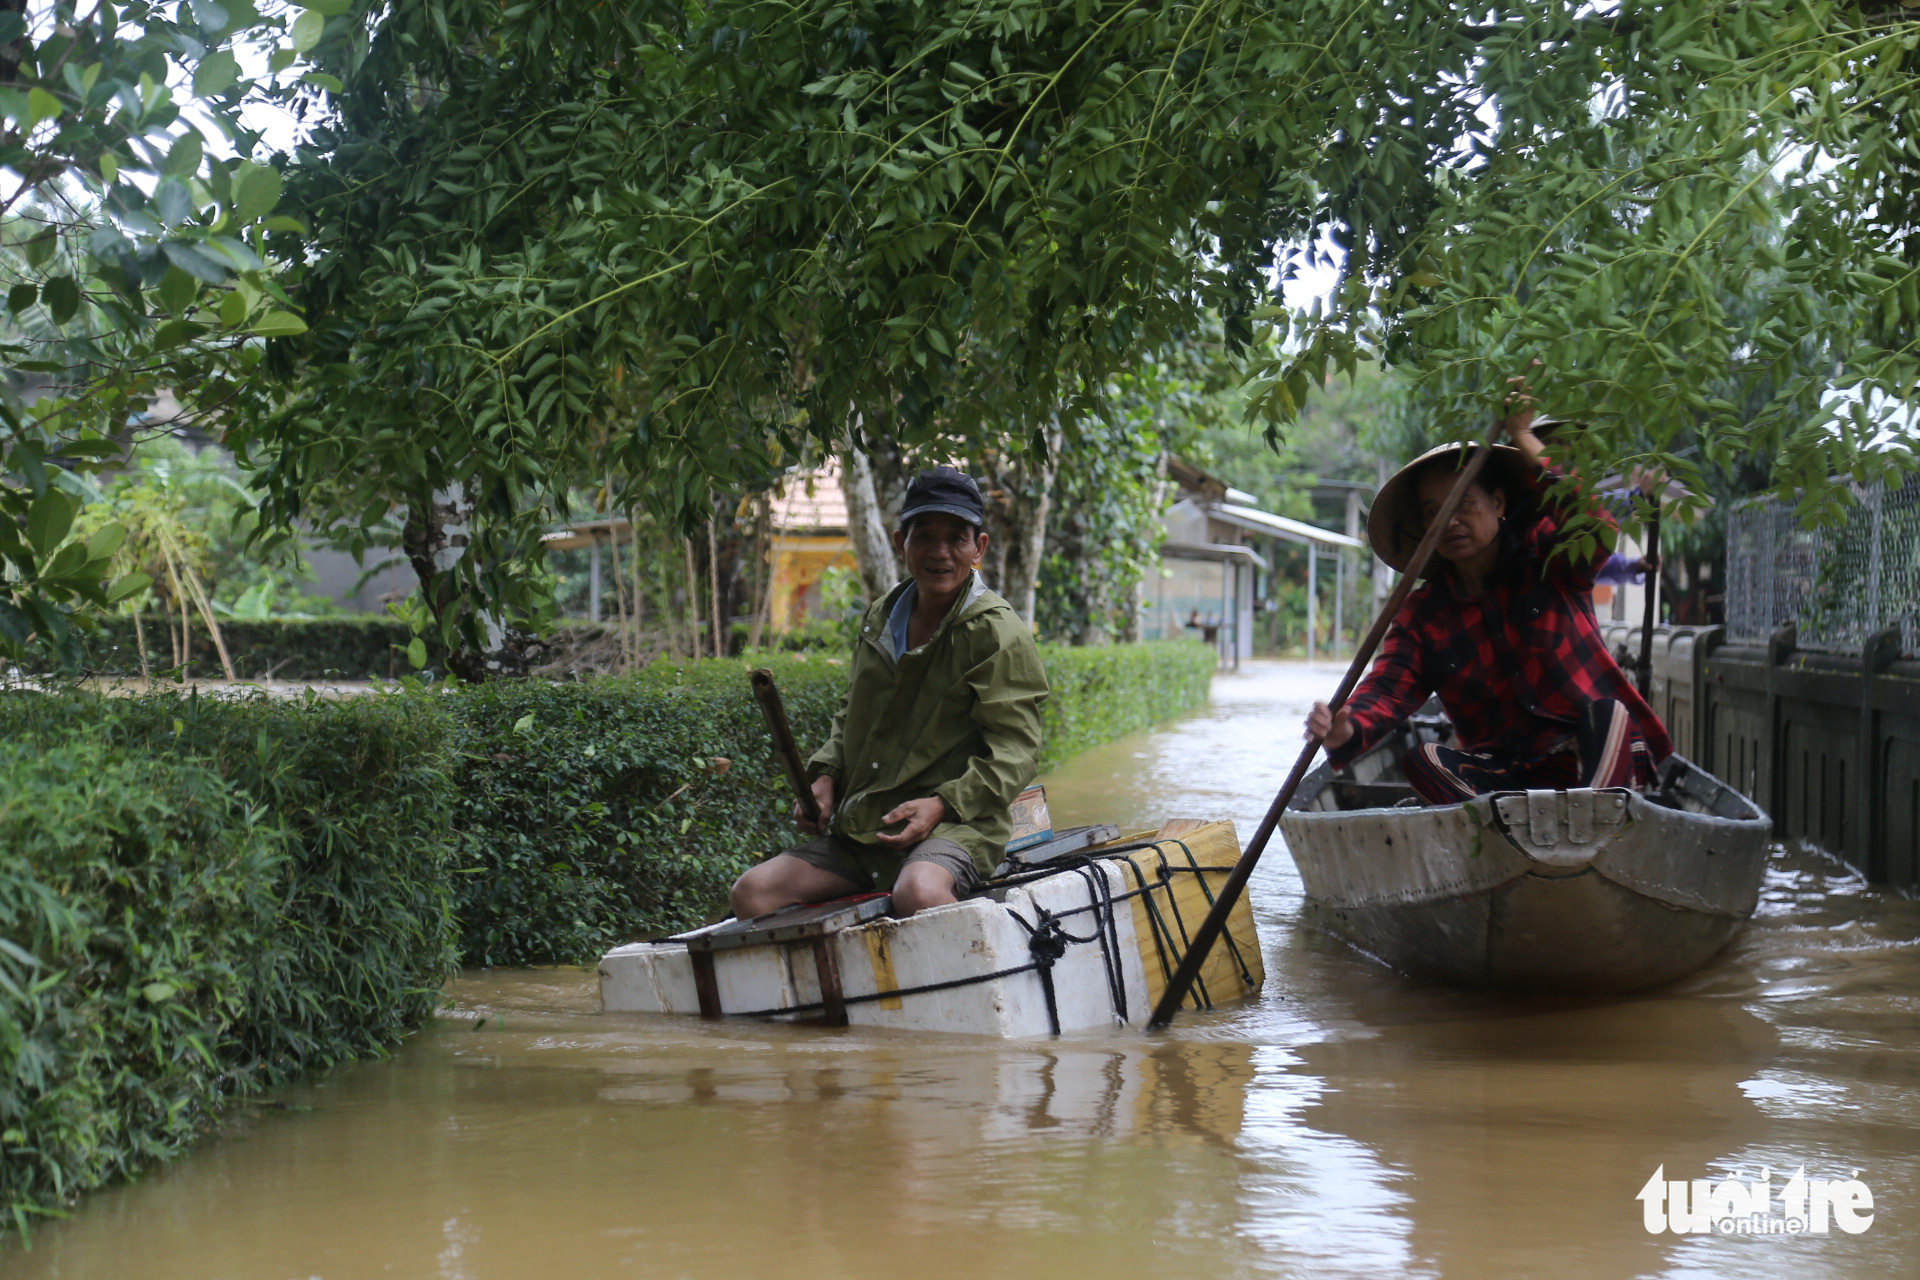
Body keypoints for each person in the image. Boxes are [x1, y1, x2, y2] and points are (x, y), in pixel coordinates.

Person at [1305, 397, 1673, 805]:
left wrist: (1522, 435)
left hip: (1591, 763)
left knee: (1609, 714)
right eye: (1434, 512)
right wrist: (1345, 728)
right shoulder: (1422, 616)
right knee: (1422, 759)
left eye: (1462, 503)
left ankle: (1593, 825)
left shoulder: (1547, 556)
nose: (1450, 522)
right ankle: (1506, 835)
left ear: (1497, 504)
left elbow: (1596, 527)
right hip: (1503, 779)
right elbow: (1388, 691)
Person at [729, 465, 1049, 918]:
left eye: (956, 538)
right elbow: (853, 715)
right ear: (901, 544)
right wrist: (825, 778)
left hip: (956, 826)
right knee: (752, 893)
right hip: (867, 829)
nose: (940, 553)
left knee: (917, 892)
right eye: (924, 536)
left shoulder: (998, 633)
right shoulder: (882, 616)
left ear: (978, 549)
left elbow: (1016, 751)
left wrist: (942, 804)